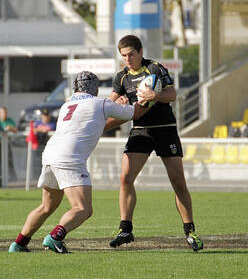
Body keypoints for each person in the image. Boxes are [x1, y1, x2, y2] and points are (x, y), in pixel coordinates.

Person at [8, 71, 148, 253]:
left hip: (50, 155)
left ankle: (18, 244)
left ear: (76, 87)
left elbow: (92, 116)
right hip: (69, 159)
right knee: (83, 208)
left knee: (46, 206)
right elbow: (135, 112)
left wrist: (114, 106)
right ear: (95, 89)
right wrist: (150, 97)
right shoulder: (101, 102)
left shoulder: (67, 105)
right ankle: (55, 237)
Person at [105, 35, 203, 251]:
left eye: (131, 54)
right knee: (125, 177)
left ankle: (190, 232)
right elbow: (108, 104)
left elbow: (172, 94)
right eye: (123, 56)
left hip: (165, 130)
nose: (128, 59)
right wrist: (117, 105)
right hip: (140, 130)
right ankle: (125, 229)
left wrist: (154, 95)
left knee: (178, 182)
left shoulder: (155, 68)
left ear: (140, 52)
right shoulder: (121, 77)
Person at [0, 106, 18, 182]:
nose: (4, 114)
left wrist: (10, 128)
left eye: (5, 112)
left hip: (6, 144)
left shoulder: (9, 120)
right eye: (3, 113)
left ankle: (13, 177)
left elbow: (16, 130)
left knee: (9, 161)